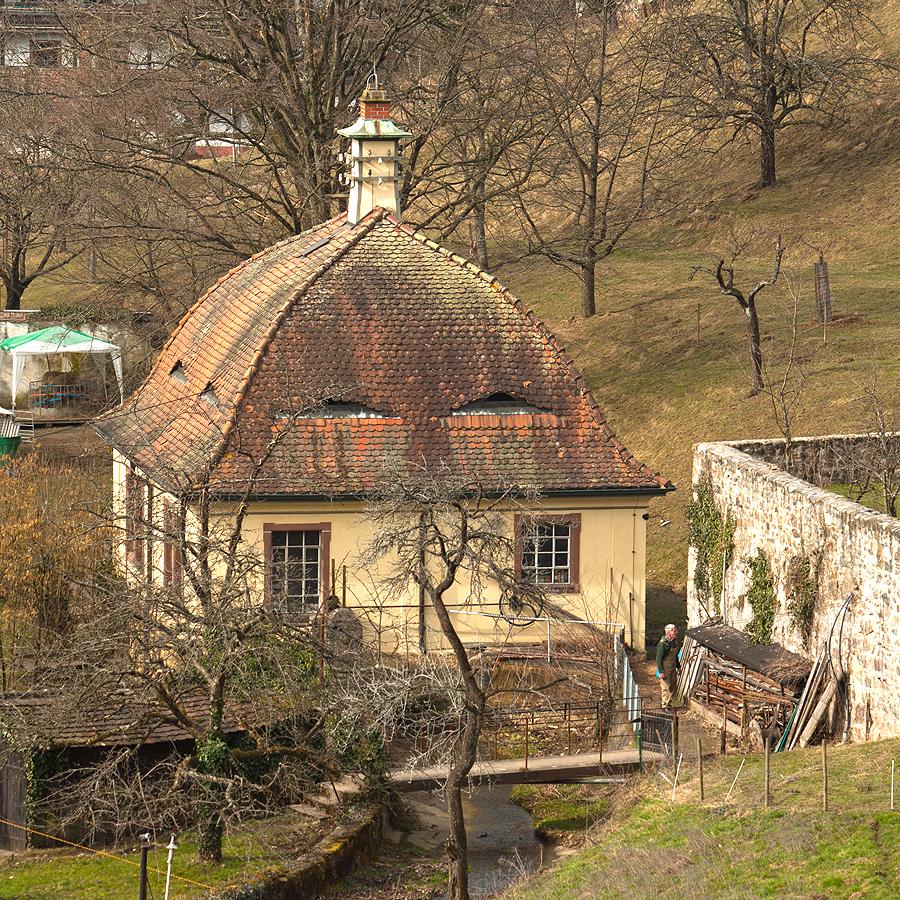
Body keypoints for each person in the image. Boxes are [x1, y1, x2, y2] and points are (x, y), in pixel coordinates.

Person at [656, 623, 681, 708]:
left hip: (673, 666)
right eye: (674, 631)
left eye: (676, 631)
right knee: (666, 686)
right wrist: (661, 671)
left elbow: (675, 657)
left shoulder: (674, 643)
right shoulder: (663, 644)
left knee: (673, 686)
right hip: (665, 667)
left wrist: (679, 667)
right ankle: (665, 705)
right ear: (668, 632)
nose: (676, 632)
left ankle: (669, 703)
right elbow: (659, 658)